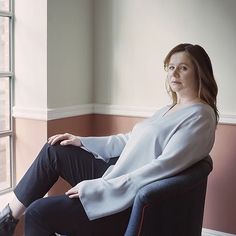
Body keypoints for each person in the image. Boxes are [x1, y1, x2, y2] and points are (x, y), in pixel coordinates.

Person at [0, 43, 218, 236]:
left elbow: (161, 169)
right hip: (119, 174)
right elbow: (130, 140)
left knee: (38, 211)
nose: (174, 73)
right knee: (55, 150)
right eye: (171, 67)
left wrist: (97, 188)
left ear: (200, 73)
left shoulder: (200, 116)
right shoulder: (169, 109)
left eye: (183, 68)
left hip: (125, 199)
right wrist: (82, 141)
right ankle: (7, 220)